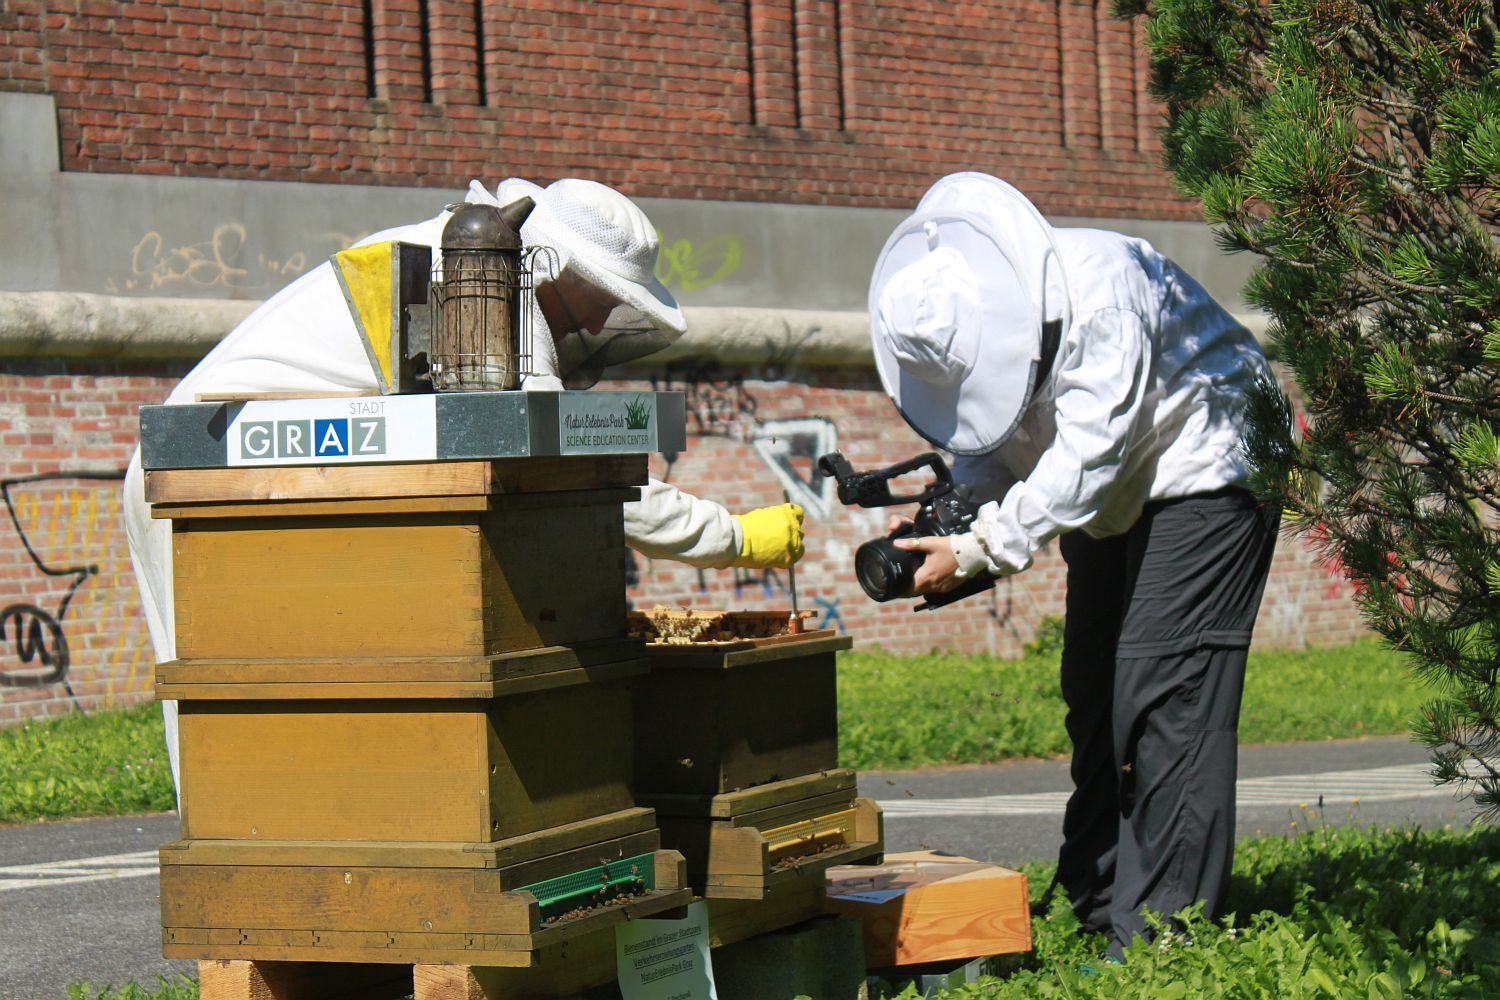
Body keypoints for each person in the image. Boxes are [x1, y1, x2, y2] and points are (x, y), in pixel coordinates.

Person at [123, 176, 804, 790]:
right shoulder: (480, 285)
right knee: (228, 716)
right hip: (204, 472)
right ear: (553, 267)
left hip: (281, 470)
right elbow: (577, 475)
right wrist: (734, 535)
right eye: (600, 299)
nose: (598, 324)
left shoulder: (467, 267)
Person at [866, 172, 1278, 959]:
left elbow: (1089, 452)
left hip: (1212, 460)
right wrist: (952, 523)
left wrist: (984, 548)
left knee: (1164, 690)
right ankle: (1096, 901)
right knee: (1094, 684)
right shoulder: (974, 322)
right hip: (1117, 490)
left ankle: (1162, 942)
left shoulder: (1105, 289)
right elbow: (991, 450)